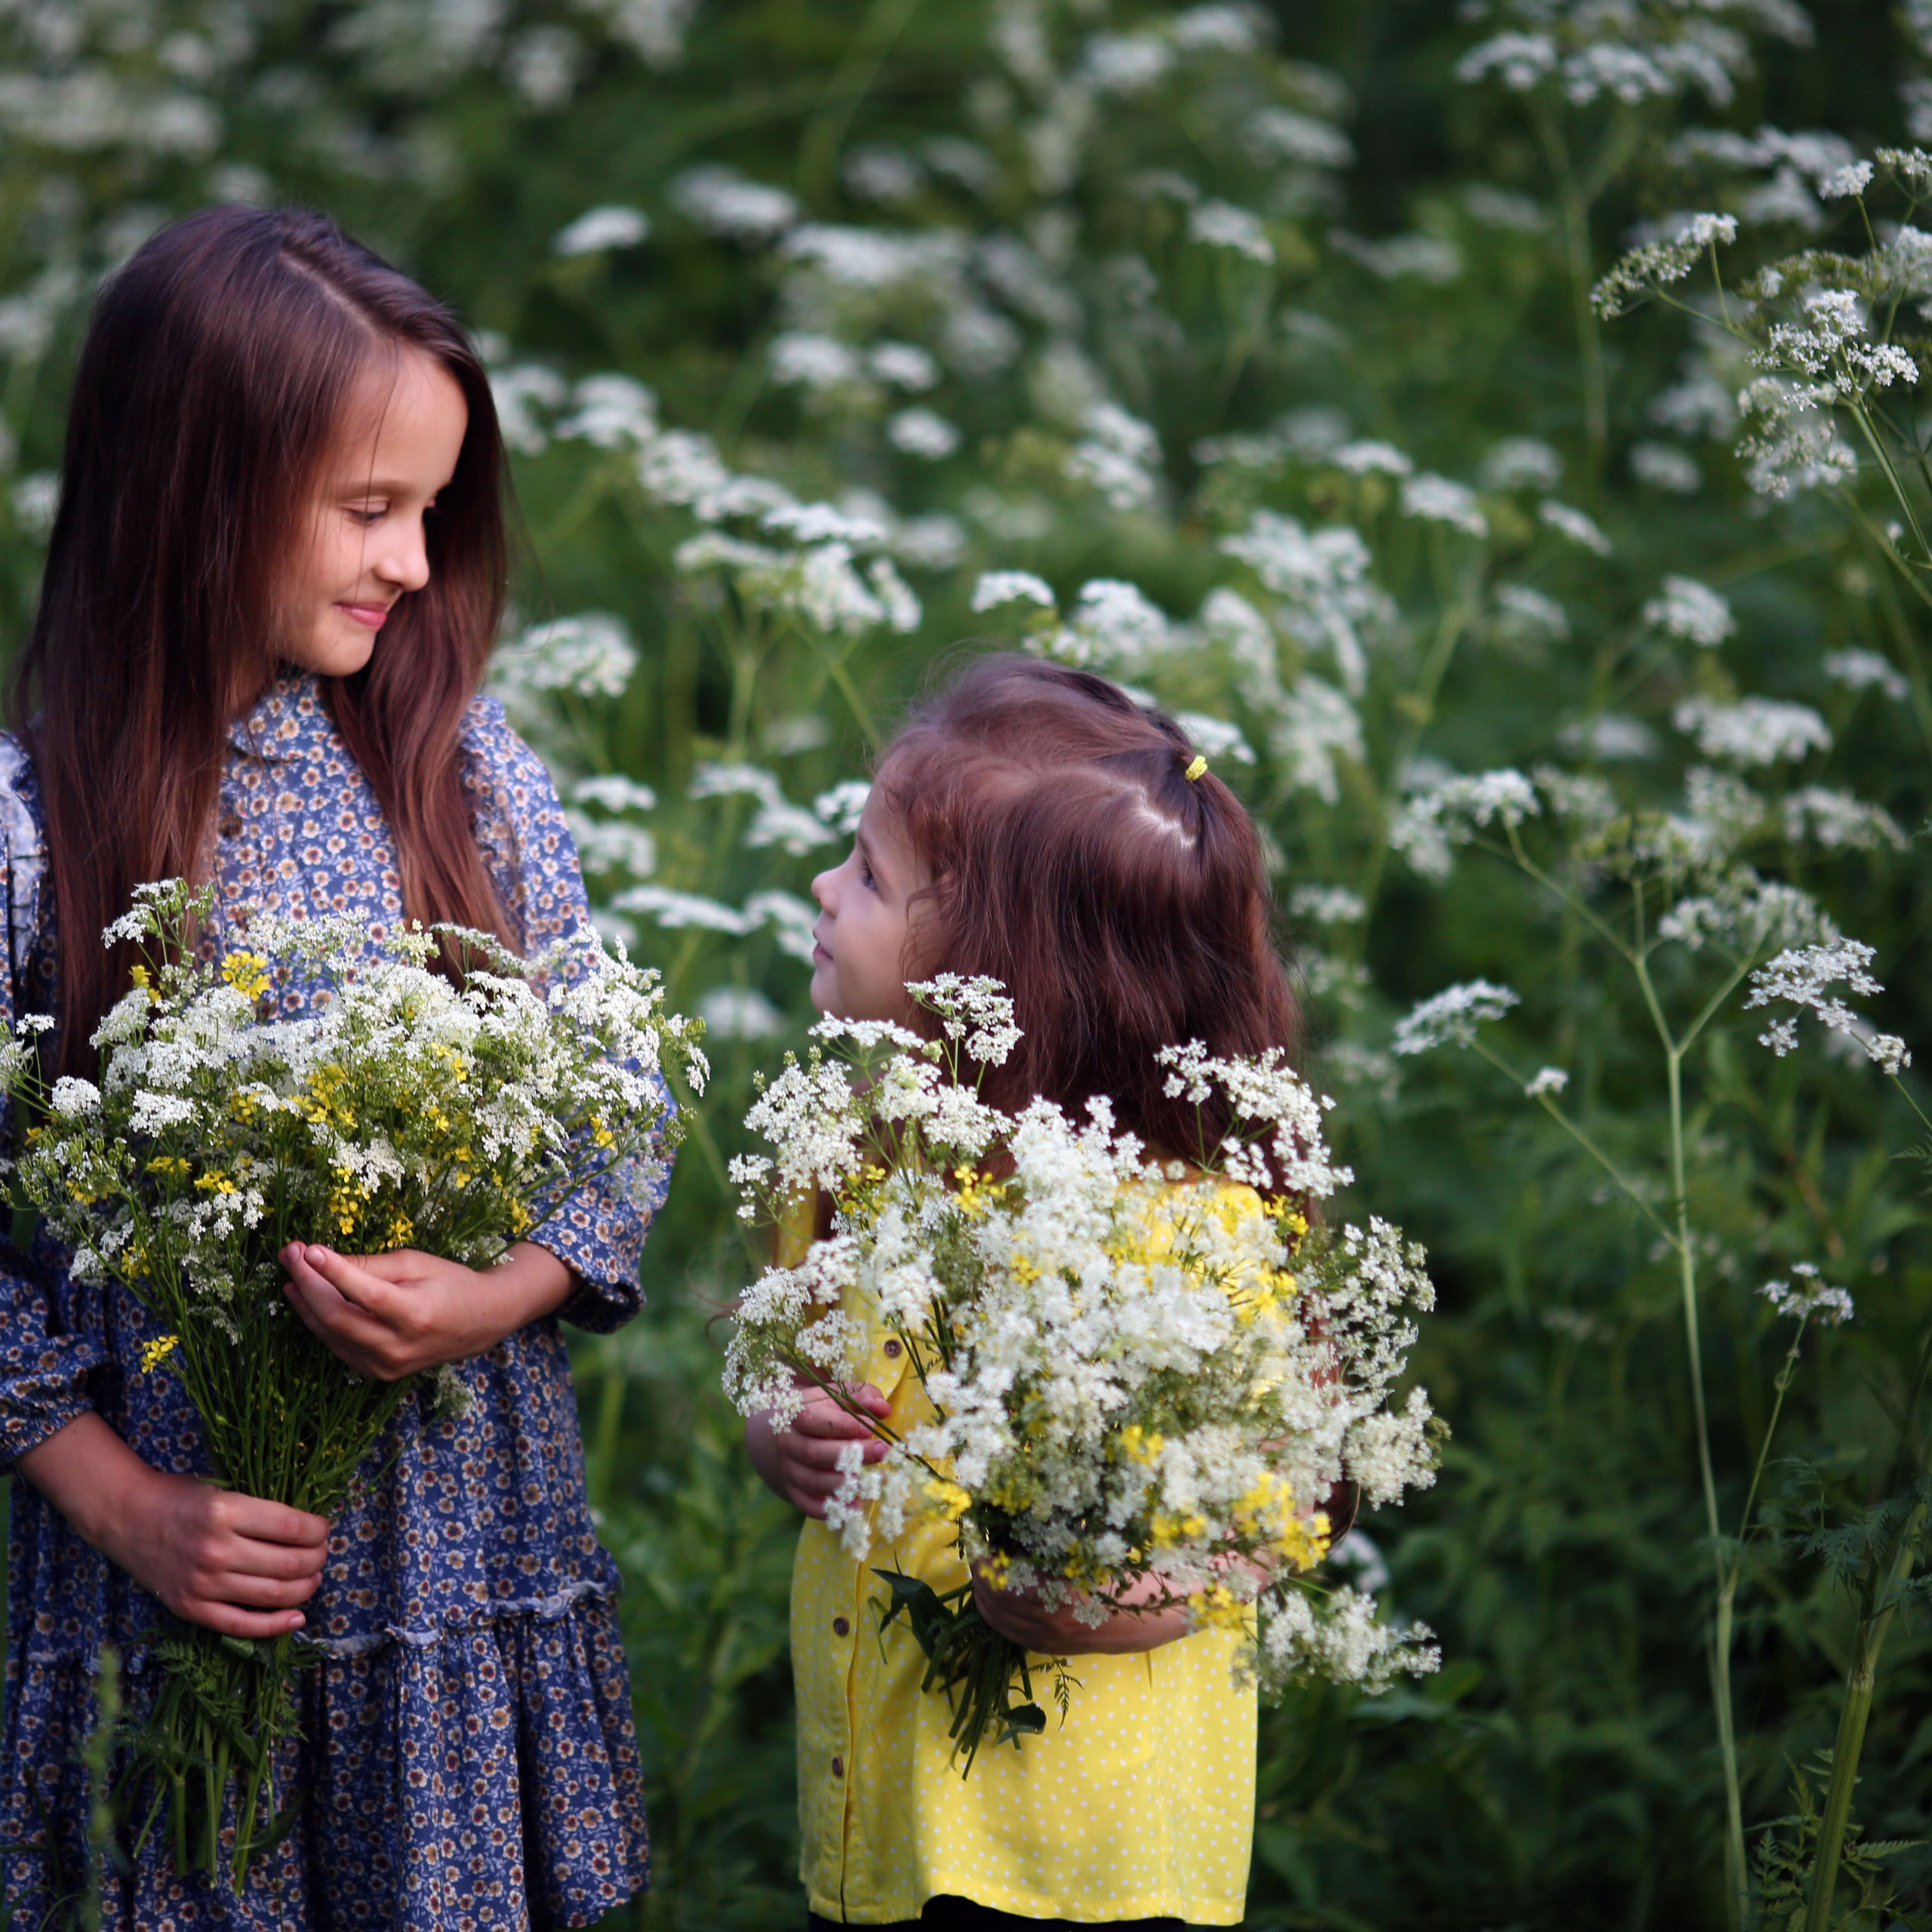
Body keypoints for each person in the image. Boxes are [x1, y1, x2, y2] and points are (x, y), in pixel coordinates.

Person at [0, 205, 661, 1929]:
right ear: (192, 489)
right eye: (369, 510)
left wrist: (496, 1292)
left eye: (433, 510)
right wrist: (130, 1504)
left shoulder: (462, 775)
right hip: (170, 1598)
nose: (416, 564)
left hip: (456, 1571)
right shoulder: (27, 837)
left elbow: (618, 1105)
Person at [746, 656, 1311, 1930]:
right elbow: (789, 1385)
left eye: (871, 877)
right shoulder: (850, 1154)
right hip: (884, 1823)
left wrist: (1094, 1603)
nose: (823, 890)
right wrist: (780, 1435)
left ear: (1000, 979)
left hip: (1088, 1871)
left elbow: (1261, 1527)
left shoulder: (1180, 1233)